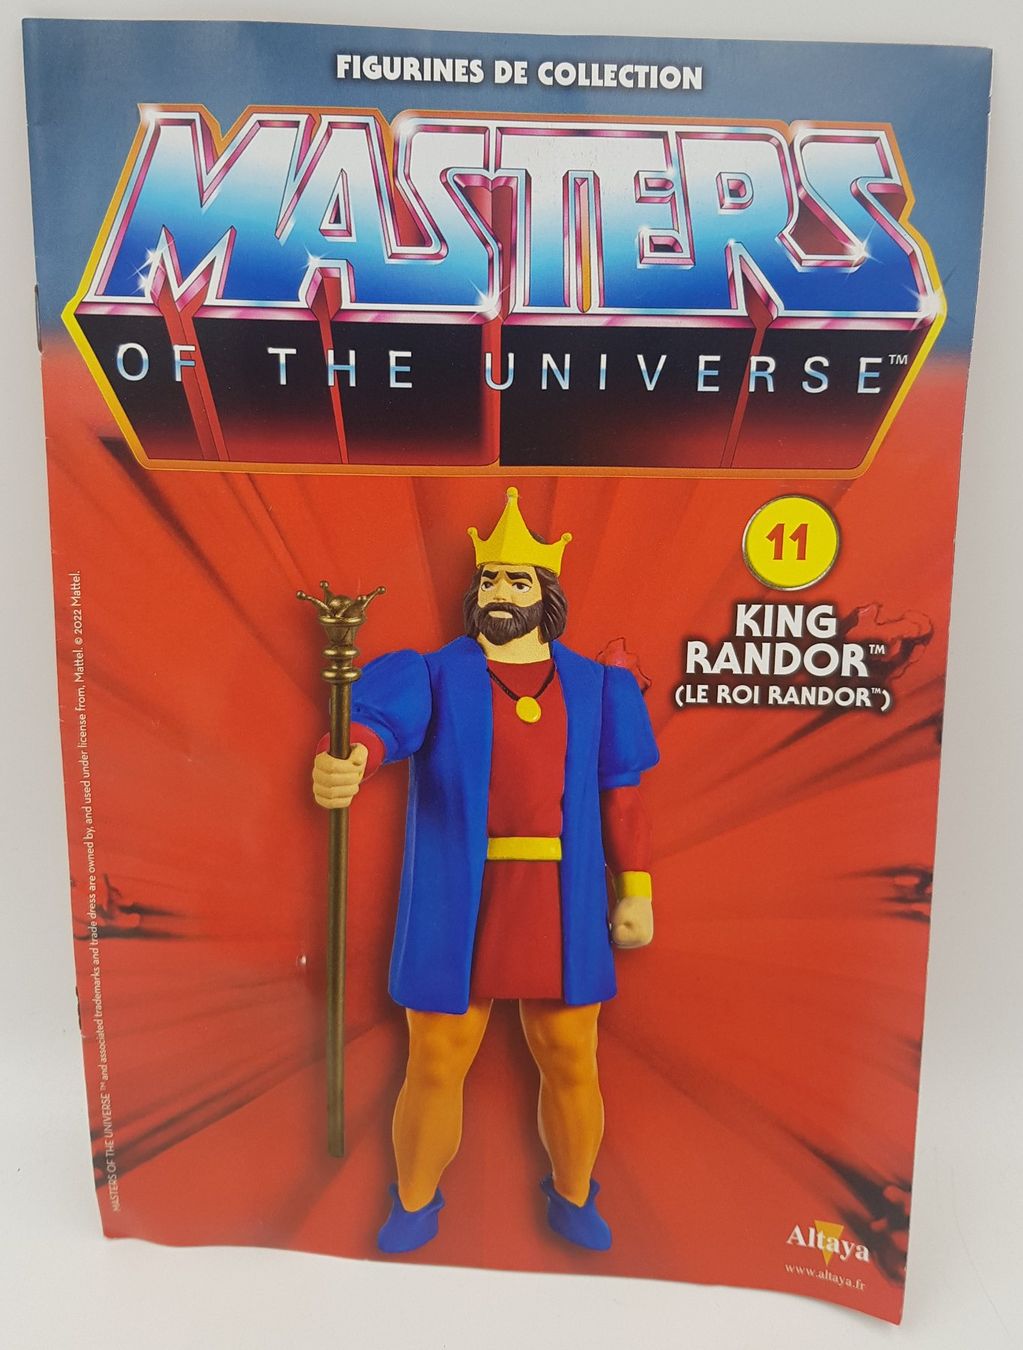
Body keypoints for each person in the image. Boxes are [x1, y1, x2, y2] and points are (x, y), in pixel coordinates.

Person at [312, 487, 658, 1253]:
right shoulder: (434, 674)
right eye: (490, 578)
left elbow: (621, 795)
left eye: (518, 579)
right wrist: (349, 760)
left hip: (560, 898)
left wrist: (633, 889)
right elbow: (376, 725)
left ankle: (573, 1195)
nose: (501, 591)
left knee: (570, 1055)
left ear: (546, 594)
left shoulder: (597, 686)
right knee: (436, 1058)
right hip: (456, 898)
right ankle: (413, 1202)